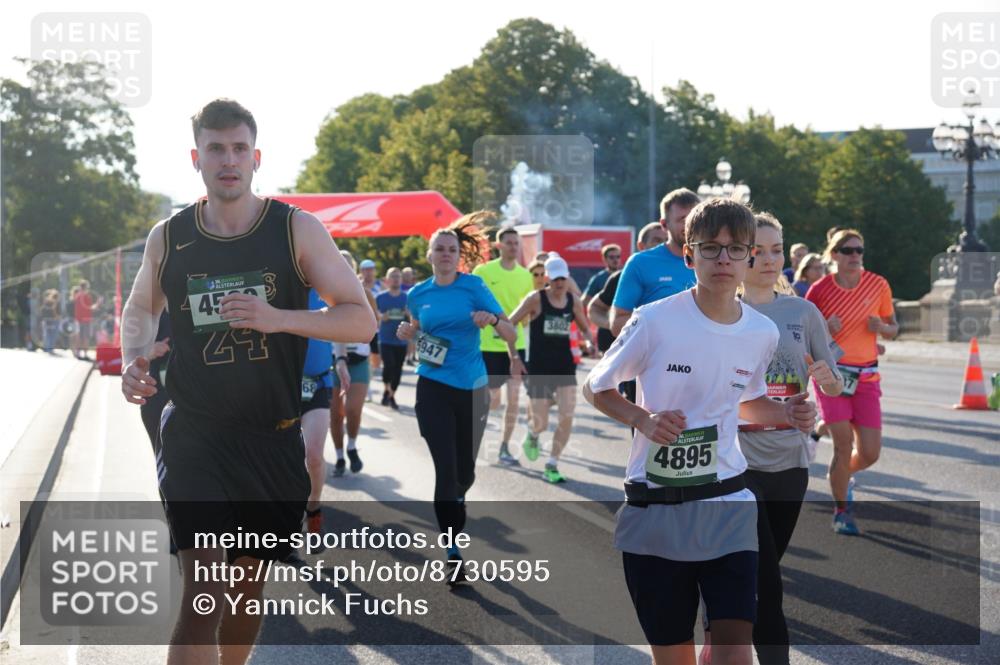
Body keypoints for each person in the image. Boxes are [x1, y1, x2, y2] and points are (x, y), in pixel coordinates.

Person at [119, 99, 375, 665]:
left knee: (245, 589)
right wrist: (134, 360)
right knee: (203, 592)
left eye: (238, 148)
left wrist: (280, 318)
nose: (228, 159)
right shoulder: (172, 235)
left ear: (256, 157)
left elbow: (361, 317)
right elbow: (139, 307)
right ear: (197, 158)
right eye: (216, 148)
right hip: (196, 433)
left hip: (271, 435)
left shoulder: (295, 230)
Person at [584, 198, 816, 665]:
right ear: (689, 256)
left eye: (735, 250)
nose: (724, 260)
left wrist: (788, 414)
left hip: (728, 503)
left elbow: (746, 400)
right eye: (710, 249)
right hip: (657, 505)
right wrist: (642, 419)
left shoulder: (761, 331)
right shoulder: (653, 321)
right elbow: (597, 387)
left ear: (750, 258)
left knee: (734, 655)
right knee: (674, 658)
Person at [701, 213, 842, 665]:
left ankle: (718, 629)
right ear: (742, 253)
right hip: (734, 464)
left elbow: (836, 383)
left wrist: (826, 377)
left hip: (790, 462)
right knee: (764, 581)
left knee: (763, 570)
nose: (768, 259)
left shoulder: (802, 311)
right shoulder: (721, 310)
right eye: (758, 250)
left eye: (777, 249)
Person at [397, 211, 516, 582]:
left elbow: (511, 332)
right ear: (429, 255)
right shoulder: (418, 294)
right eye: (439, 249)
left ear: (458, 256)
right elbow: (418, 333)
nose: (446, 254)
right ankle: (452, 551)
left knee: (465, 472)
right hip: (432, 387)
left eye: (451, 249)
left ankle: (457, 501)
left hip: (472, 388)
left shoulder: (474, 288)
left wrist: (493, 321)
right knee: (446, 471)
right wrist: (408, 334)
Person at [806, 229, 897, 536]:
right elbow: (802, 333)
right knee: (843, 446)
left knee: (870, 453)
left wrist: (881, 327)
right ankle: (842, 510)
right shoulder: (819, 289)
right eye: (847, 250)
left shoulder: (878, 284)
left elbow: (894, 328)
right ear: (834, 254)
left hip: (867, 376)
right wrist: (824, 327)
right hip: (832, 375)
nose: (855, 255)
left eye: (859, 249)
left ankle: (842, 477)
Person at [509, 255, 595, 483]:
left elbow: (585, 328)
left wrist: (589, 342)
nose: (559, 283)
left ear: (567, 278)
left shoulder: (573, 301)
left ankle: (552, 464)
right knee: (541, 422)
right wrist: (514, 355)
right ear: (547, 278)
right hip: (538, 367)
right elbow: (510, 323)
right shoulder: (535, 299)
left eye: (563, 279)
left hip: (564, 366)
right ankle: (534, 434)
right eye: (555, 279)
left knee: (567, 416)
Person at [472, 225, 535, 464]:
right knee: (492, 400)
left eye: (516, 243)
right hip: (487, 346)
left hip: (515, 347)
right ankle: (476, 437)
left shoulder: (525, 275)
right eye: (509, 242)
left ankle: (505, 447)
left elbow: (528, 311)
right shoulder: (483, 271)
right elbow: (473, 302)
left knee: (514, 400)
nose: (513, 247)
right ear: (499, 246)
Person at [611, 189, 700, 337]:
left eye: (694, 219)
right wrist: (666, 329)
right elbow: (617, 323)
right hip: (659, 358)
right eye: (682, 220)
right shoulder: (640, 263)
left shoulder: (718, 259)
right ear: (664, 225)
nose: (689, 225)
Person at [330, 250, 379, 476]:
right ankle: (339, 456)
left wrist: (375, 351)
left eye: (348, 265)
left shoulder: (365, 293)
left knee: (353, 410)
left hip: (358, 360)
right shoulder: (325, 292)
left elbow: (374, 325)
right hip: (331, 362)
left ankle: (352, 446)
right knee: (336, 414)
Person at [300, 289, 335, 532]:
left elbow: (343, 323)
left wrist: (340, 360)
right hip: (281, 385)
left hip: (319, 382)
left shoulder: (326, 285)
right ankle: (287, 526)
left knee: (313, 455)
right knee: (285, 461)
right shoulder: (277, 281)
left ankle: (314, 506)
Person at [376, 267, 409, 409]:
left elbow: (414, 318)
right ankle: (388, 391)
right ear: (387, 279)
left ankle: (391, 394)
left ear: (401, 279)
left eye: (398, 276)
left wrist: (408, 314)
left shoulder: (407, 298)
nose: (396, 279)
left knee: (398, 369)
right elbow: (374, 314)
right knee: (389, 366)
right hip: (385, 339)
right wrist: (381, 316)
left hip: (401, 341)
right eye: (393, 276)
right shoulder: (380, 297)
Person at [582, 243, 623, 355]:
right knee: (606, 363)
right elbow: (585, 301)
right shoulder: (599, 279)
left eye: (618, 256)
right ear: (604, 259)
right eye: (611, 257)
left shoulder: (626, 275)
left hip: (624, 325)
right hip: (606, 327)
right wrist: (602, 309)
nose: (615, 260)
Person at [73, 280, 102, 359]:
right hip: (86, 320)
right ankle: (85, 354)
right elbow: (91, 308)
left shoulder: (77, 296)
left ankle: (77, 353)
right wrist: (98, 303)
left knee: (79, 337)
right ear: (86, 287)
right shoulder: (86, 296)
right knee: (86, 337)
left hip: (77, 319)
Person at [39, 289, 62, 353]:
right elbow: (55, 312)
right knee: (52, 335)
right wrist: (57, 317)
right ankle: (50, 348)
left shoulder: (46, 301)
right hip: (54, 320)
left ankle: (46, 347)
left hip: (46, 320)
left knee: (46, 334)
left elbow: (42, 310)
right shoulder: (56, 302)